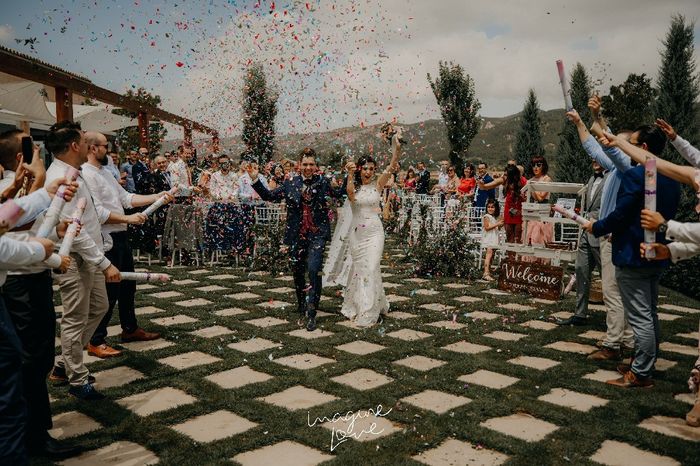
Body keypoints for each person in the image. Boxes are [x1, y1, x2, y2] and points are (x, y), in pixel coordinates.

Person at [585, 125, 681, 388]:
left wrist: (596, 226)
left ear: (644, 149)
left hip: (632, 253)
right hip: (657, 253)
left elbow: (621, 214)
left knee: (640, 316)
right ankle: (644, 361)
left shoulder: (636, 176)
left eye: (633, 144)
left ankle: (640, 372)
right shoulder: (672, 180)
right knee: (650, 313)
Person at [42, 121, 121, 401]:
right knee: (74, 318)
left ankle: (65, 361)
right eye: (86, 141)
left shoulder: (76, 171)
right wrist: (104, 262)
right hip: (73, 259)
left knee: (99, 306)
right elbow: (71, 232)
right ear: (75, 145)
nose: (90, 146)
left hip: (92, 254)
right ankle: (77, 378)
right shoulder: (59, 178)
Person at [82, 132, 172, 355]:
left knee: (127, 287)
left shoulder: (105, 172)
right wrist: (128, 218)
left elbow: (126, 198)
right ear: (93, 148)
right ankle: (96, 339)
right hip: (106, 238)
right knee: (109, 289)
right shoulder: (86, 174)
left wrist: (156, 197)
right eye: (105, 145)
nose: (109, 150)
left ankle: (129, 328)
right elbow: (97, 211)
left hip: (121, 236)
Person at [560, 102, 635, 358]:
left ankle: (615, 343)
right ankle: (626, 341)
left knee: (613, 292)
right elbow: (593, 146)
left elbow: (603, 144)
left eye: (616, 140)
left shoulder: (625, 167)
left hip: (614, 236)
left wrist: (596, 118)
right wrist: (581, 122)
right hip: (610, 235)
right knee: (619, 292)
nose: (609, 140)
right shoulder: (617, 167)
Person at [249, 148, 348, 331]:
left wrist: (350, 174)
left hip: (317, 233)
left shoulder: (323, 182)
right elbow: (269, 196)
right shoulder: (290, 183)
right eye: (305, 164)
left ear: (316, 166)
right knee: (298, 271)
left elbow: (340, 192)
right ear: (299, 165)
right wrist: (255, 179)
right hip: (296, 235)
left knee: (314, 269)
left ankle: (312, 312)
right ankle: (302, 304)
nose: (308, 167)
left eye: (311, 164)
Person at [339, 131, 401, 326]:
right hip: (357, 234)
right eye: (365, 168)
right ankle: (362, 304)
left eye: (371, 168)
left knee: (372, 266)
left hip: (374, 232)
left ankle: (368, 311)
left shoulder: (378, 185)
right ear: (359, 169)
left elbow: (391, 167)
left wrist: (396, 149)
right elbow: (350, 195)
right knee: (361, 269)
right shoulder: (353, 186)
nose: (368, 172)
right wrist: (349, 173)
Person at [556, 160, 607, 329]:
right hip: (585, 233)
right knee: (581, 271)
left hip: (602, 232)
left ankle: (615, 319)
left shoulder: (612, 178)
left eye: (597, 157)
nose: (593, 161)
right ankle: (580, 314)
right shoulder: (591, 179)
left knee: (607, 277)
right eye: (591, 158)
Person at [479, 164, 527, 245]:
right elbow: (488, 186)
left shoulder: (522, 181)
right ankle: (510, 257)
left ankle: (518, 257)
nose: (504, 176)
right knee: (509, 236)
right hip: (509, 210)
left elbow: (529, 196)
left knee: (519, 237)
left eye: (506, 175)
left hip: (520, 211)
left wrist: (524, 197)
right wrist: (482, 185)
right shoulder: (504, 179)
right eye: (504, 174)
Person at [523, 156, 553, 252]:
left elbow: (541, 197)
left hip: (543, 213)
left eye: (538, 165)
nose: (535, 167)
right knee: (528, 238)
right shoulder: (531, 180)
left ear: (543, 166)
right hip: (532, 212)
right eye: (533, 165)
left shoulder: (546, 179)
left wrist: (532, 187)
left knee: (540, 238)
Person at [481, 198, 503, 281]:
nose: (490, 209)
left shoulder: (493, 217)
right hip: (489, 238)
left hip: (494, 237)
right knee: (488, 255)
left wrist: (500, 224)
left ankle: (488, 271)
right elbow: (487, 227)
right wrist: (497, 224)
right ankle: (485, 273)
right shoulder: (486, 217)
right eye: (489, 207)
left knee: (492, 255)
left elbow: (497, 228)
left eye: (492, 207)